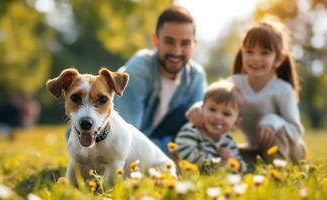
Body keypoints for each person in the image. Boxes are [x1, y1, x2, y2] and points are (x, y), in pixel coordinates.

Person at [188, 17, 306, 164]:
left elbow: (296, 132)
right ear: (242, 52)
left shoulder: (283, 90)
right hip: (255, 150)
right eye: (249, 51)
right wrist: (199, 109)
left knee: (274, 131)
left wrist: (274, 120)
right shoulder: (235, 84)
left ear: (279, 59)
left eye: (265, 53)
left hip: (290, 152)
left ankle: (277, 174)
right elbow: (216, 101)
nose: (256, 58)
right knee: (224, 157)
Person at [114, 5, 207, 155]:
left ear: (194, 44)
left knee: (195, 110)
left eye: (185, 43)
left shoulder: (196, 75)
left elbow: (202, 133)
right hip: (107, 140)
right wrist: (175, 150)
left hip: (153, 139)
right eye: (169, 42)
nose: (177, 52)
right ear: (156, 40)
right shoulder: (138, 69)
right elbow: (127, 142)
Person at [175, 80, 246, 172]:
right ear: (201, 109)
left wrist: (235, 163)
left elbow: (242, 168)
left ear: (236, 123)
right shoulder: (191, 130)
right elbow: (185, 156)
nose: (217, 117)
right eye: (212, 109)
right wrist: (220, 166)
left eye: (226, 114)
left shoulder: (228, 141)